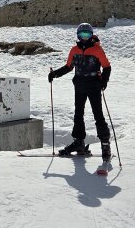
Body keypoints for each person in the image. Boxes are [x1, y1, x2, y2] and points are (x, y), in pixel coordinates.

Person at [48, 23, 112, 161]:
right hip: (79, 85)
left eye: (87, 34)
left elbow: (107, 67)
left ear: (91, 35)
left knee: (98, 115)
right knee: (78, 114)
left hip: (94, 86)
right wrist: (55, 74)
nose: (84, 38)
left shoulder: (97, 50)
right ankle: (79, 142)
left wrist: (103, 82)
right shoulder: (74, 50)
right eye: (82, 35)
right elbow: (69, 66)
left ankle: (105, 144)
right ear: (78, 36)